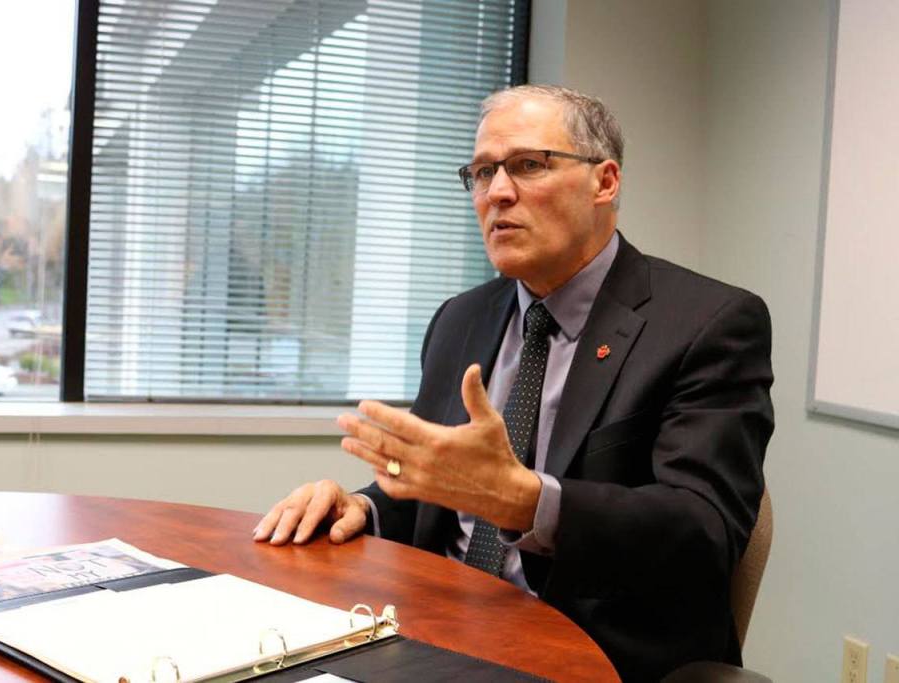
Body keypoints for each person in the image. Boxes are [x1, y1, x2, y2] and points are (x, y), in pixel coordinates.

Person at [253, 84, 774, 682]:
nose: (497, 192)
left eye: (528, 165)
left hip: (593, 655)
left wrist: (526, 502)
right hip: (436, 633)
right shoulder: (460, 318)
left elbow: (704, 536)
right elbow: (441, 494)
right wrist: (364, 506)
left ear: (604, 182)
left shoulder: (709, 323)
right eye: (481, 173)